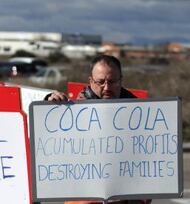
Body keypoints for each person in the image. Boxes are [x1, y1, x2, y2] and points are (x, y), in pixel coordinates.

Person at [45, 55, 151, 204]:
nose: (107, 88)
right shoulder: (70, 112)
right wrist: (49, 102)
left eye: (112, 82)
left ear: (121, 80)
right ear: (90, 81)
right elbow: (49, 137)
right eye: (100, 82)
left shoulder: (141, 116)